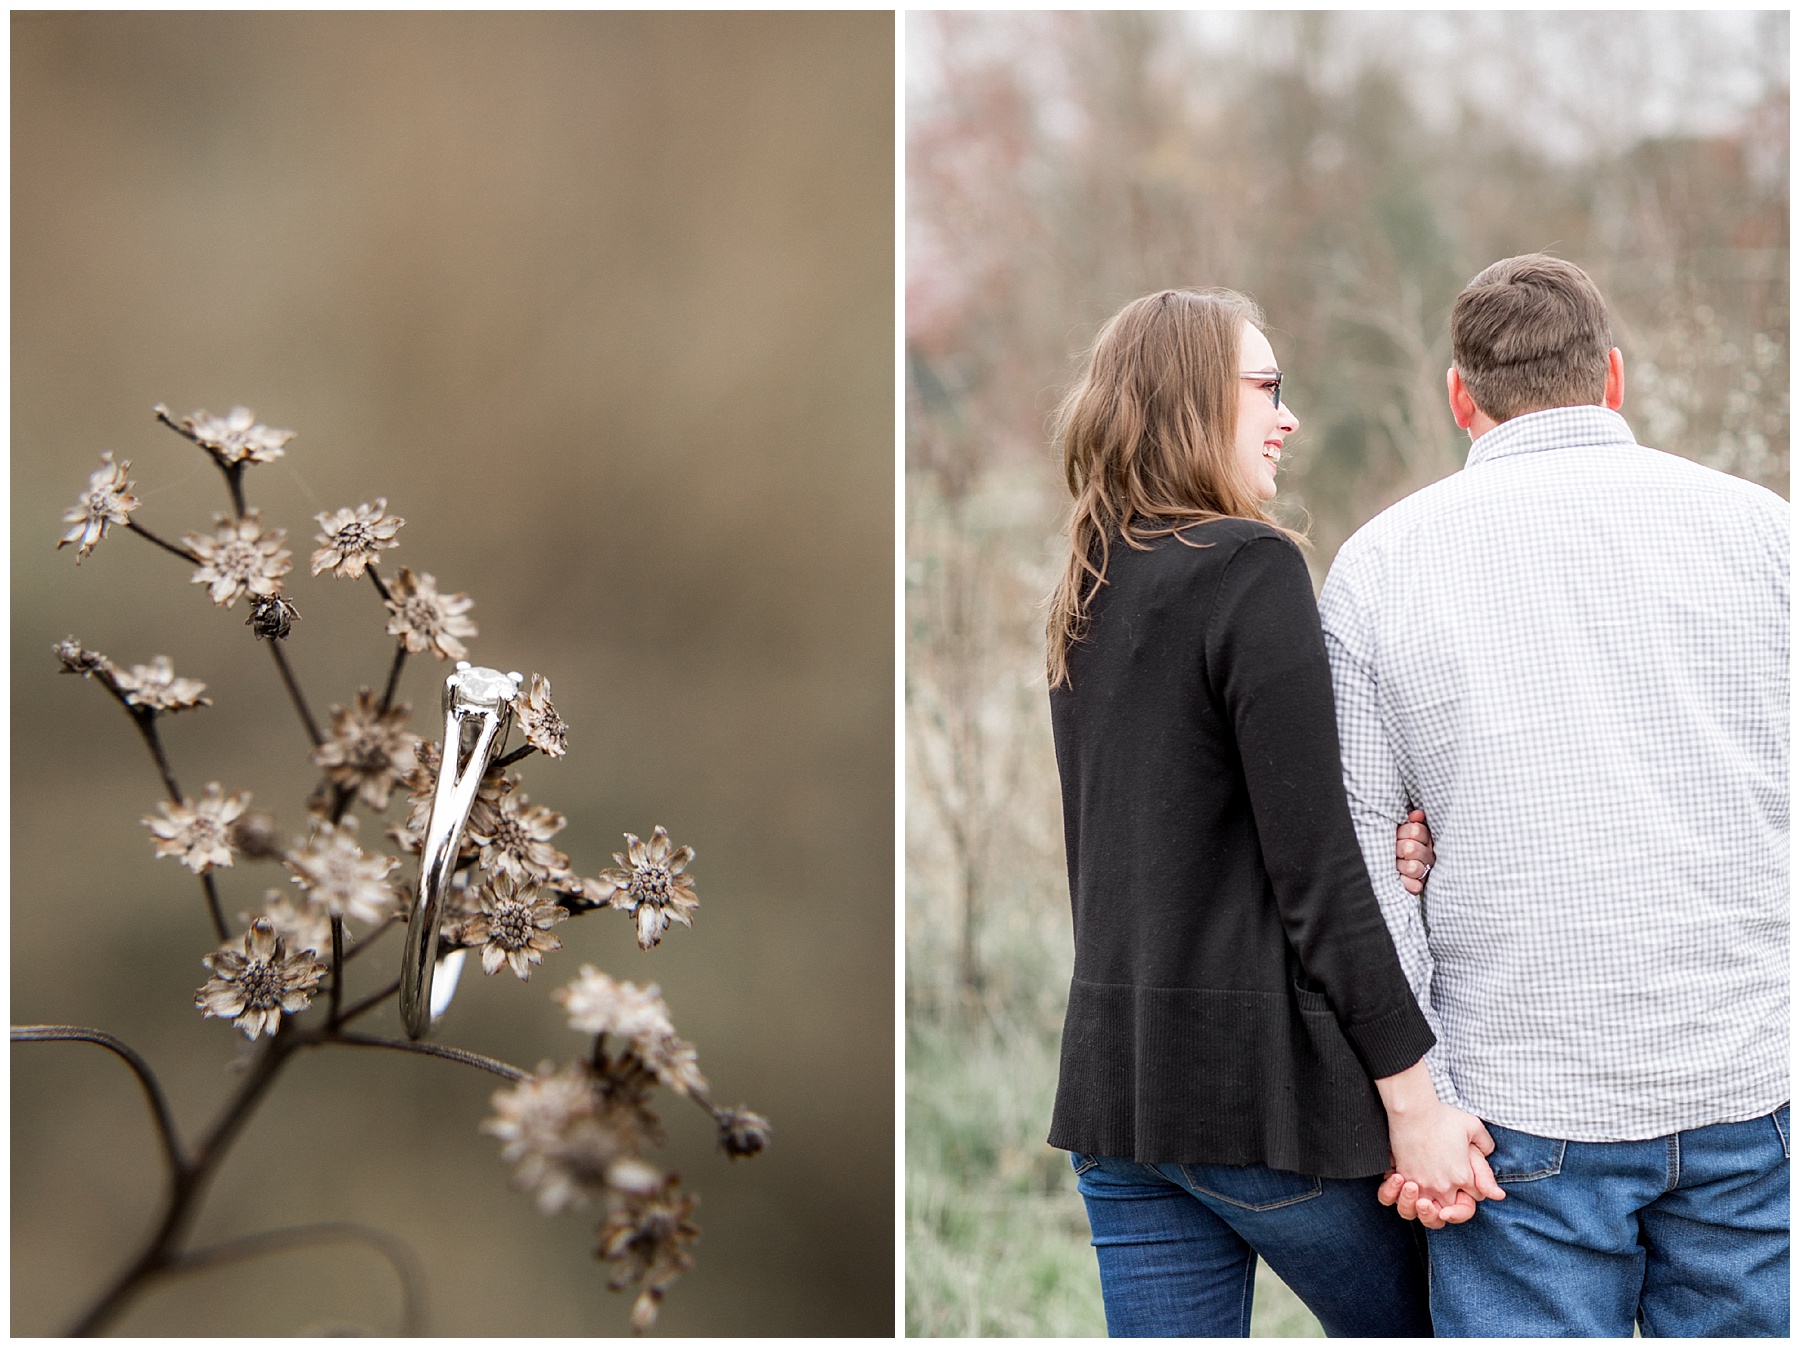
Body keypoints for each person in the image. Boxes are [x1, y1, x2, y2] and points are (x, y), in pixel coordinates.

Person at [1318, 254, 1789, 1337]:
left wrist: (1418, 1099)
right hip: (1751, 1076)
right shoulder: (1767, 533)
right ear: (1613, 379)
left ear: (1459, 397)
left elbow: (1362, 860)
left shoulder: (1382, 564)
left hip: (1516, 1103)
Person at [1044, 288, 1501, 1338]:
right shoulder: (1251, 567)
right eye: (1267, 388)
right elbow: (1315, 875)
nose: (1289, 417)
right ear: (1192, 399)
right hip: (1257, 1103)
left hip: (1120, 1096)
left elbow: (1187, 835)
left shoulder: (1094, 576)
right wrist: (1415, 1106)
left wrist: (1386, 858)